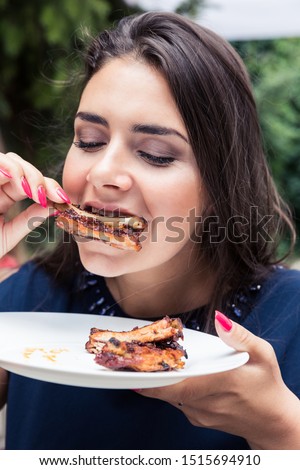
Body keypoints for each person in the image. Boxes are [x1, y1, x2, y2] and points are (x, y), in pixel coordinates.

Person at [0, 11, 300, 450]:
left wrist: (282, 429)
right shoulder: (23, 305)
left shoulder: (291, 317)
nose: (103, 171)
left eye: (156, 154)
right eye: (88, 140)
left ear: (221, 184)